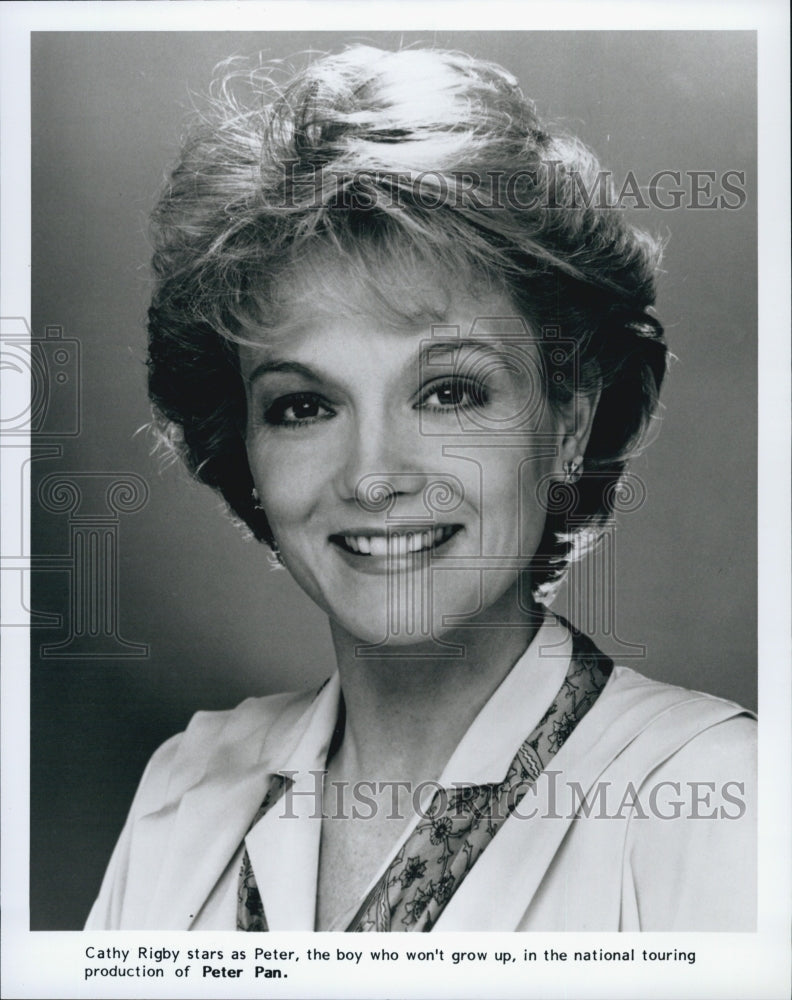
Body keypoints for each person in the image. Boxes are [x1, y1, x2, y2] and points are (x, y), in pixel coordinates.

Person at [86, 45, 755, 932]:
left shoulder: (722, 802)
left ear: (569, 425)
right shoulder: (188, 789)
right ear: (243, 449)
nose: (372, 476)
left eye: (449, 392)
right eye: (303, 405)